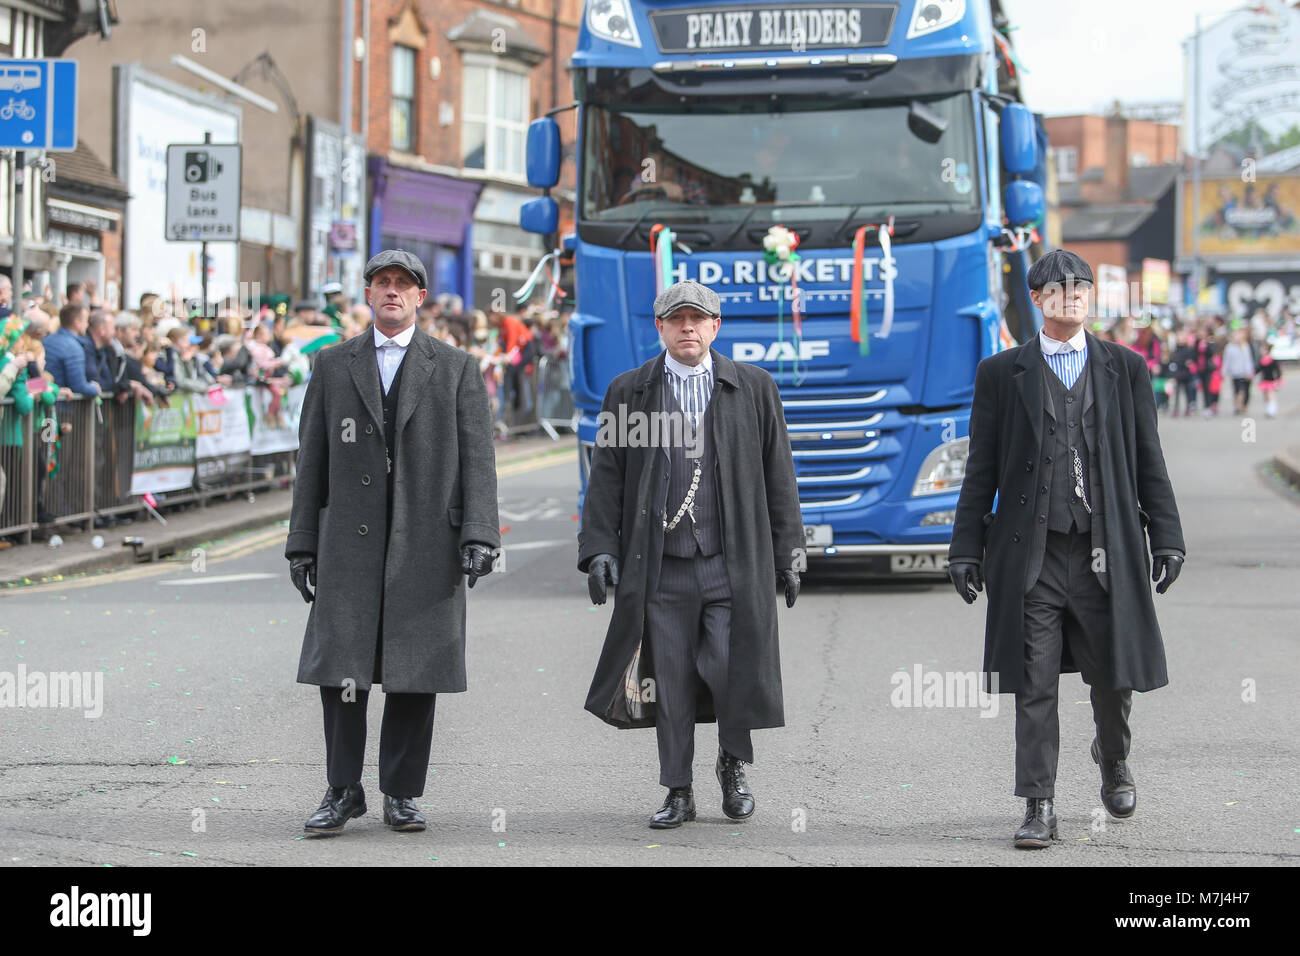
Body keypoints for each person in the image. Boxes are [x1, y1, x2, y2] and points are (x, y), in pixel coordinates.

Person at [947, 249, 1185, 849]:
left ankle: (1113, 758)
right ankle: (1038, 804)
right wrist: (965, 547)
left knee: (1113, 675)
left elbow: (1148, 460)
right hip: (1034, 555)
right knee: (1035, 682)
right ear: (1039, 299)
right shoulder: (1002, 374)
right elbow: (982, 468)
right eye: (1059, 288)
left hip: (1106, 548)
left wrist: (1168, 536)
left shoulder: (1125, 368)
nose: (1072, 295)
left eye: (1081, 287)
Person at [285, 249, 500, 837]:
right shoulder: (332, 365)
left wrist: (480, 532)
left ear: (420, 298)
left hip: (427, 538)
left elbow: (479, 458)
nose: (393, 292)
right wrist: (302, 543)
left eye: (404, 284)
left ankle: (401, 793)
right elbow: (312, 459)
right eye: (382, 283)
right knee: (342, 671)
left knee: (414, 671)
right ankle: (342, 789)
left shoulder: (455, 366)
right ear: (369, 293)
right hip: (347, 542)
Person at [578, 279, 803, 829]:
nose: (688, 327)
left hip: (730, 564)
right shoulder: (628, 393)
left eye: (698, 319)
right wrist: (599, 549)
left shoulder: (751, 387)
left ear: (715, 326)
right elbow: (606, 478)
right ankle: (677, 788)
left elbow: (780, 474)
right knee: (671, 680)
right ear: (659, 328)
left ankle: (733, 762)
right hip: (661, 568)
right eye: (676, 319)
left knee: (730, 669)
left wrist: (789, 550)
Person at [1220, 327, 1256, 416]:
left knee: (1244, 390)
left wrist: (1250, 371)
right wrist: (1224, 372)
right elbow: (1227, 360)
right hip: (1235, 373)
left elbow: (1248, 360)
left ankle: (1243, 405)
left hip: (1245, 372)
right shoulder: (1229, 347)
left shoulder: (1245, 346)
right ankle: (1237, 406)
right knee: (1237, 390)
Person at [1257, 341, 1282, 418]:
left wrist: (1278, 379)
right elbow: (1258, 370)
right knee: (1265, 396)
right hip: (1264, 381)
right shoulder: (1261, 360)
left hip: (1271, 381)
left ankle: (1272, 410)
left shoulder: (1273, 361)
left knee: (1270, 395)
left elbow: (1278, 371)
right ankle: (1268, 410)